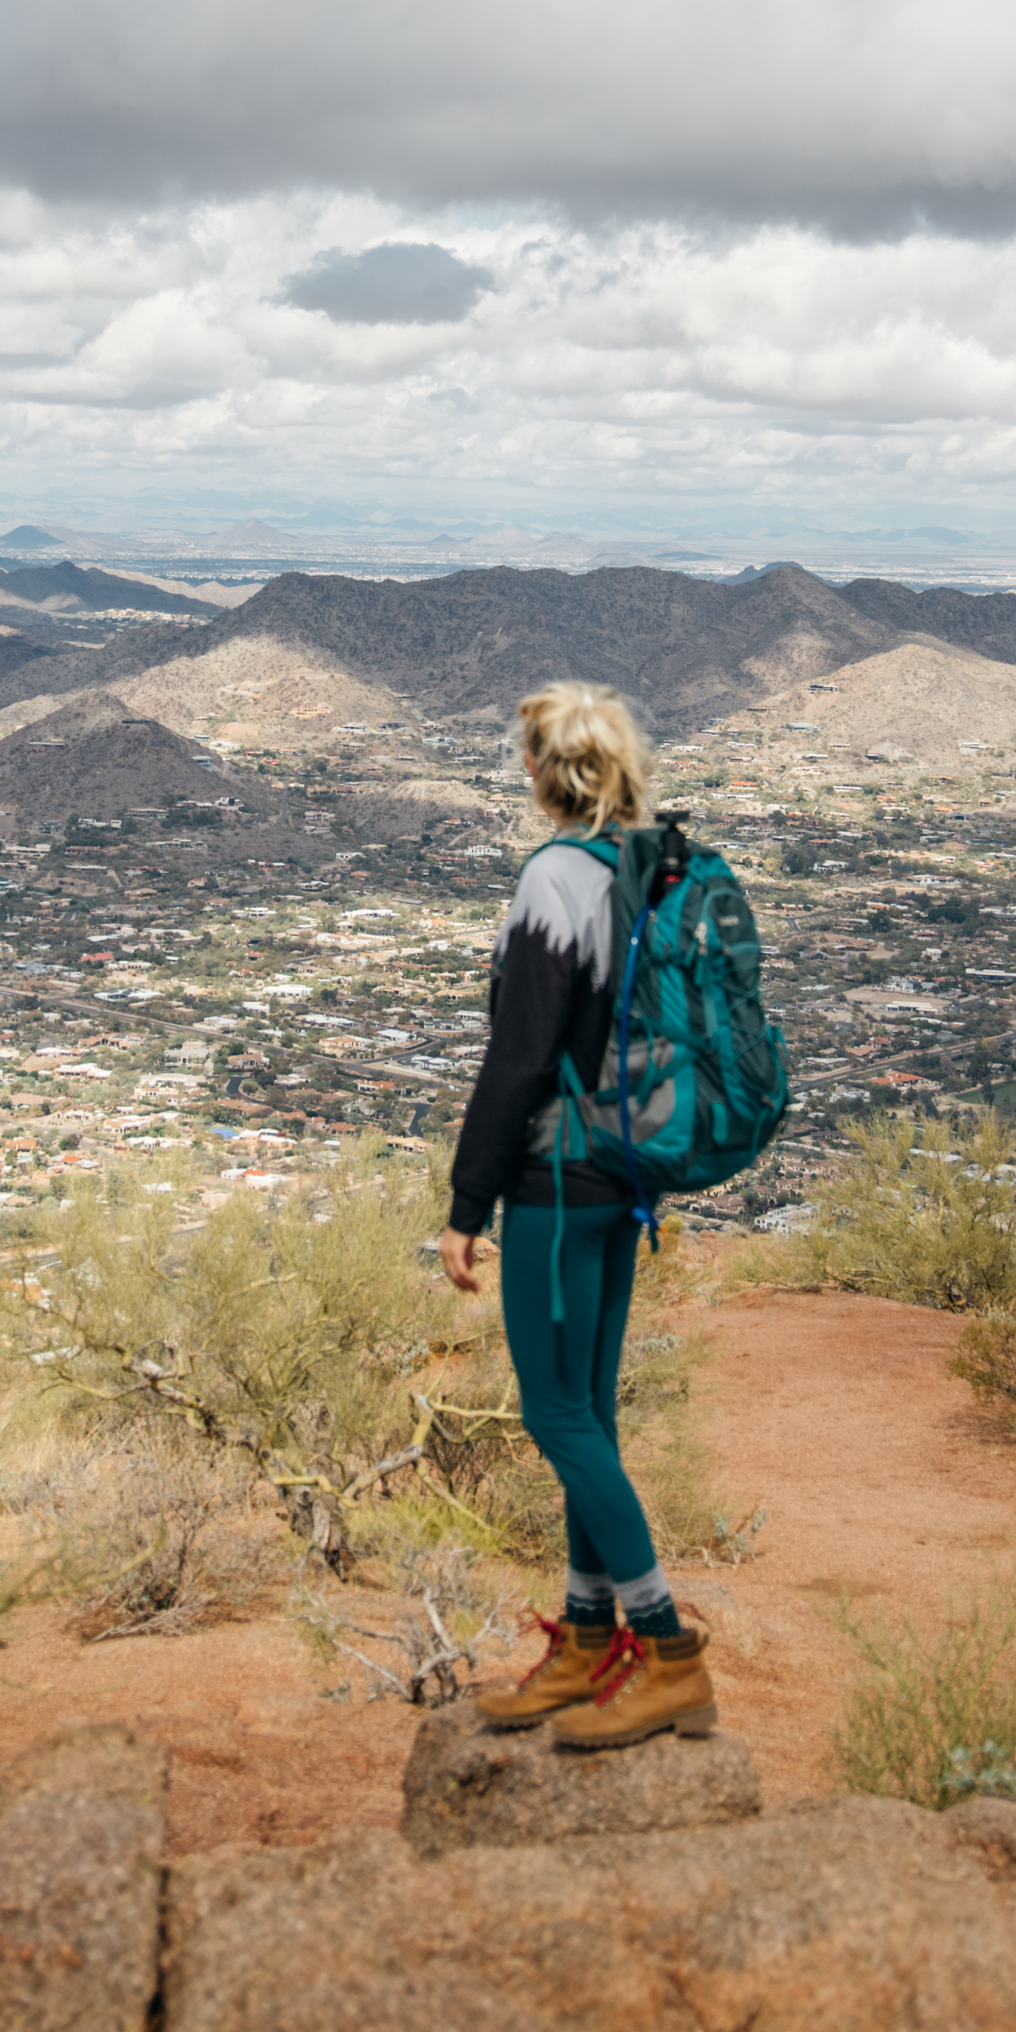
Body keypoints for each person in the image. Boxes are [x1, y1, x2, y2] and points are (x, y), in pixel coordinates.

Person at [438, 680, 717, 1747]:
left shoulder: (556, 877)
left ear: (546, 775)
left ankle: (669, 1653)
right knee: (587, 1418)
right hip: (626, 1178)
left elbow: (516, 1062)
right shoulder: (653, 868)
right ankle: (587, 1642)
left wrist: (467, 1203)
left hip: (555, 1185)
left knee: (554, 1417)